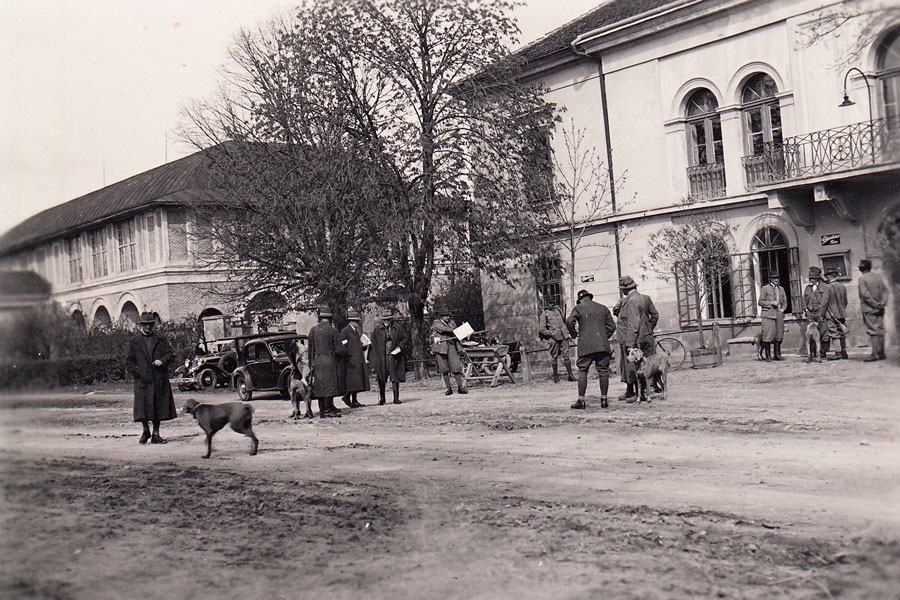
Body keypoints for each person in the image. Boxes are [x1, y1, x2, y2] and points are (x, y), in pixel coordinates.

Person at [125, 311, 177, 444]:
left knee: (158, 406)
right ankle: (145, 431)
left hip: (158, 378)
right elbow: (129, 361)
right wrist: (137, 373)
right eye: (145, 325)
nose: (148, 327)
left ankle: (156, 434)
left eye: (150, 325)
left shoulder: (160, 340)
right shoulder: (134, 342)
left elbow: (170, 354)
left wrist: (162, 361)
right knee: (142, 407)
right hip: (142, 381)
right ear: (141, 326)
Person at [566, 289, 617, 410]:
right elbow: (612, 326)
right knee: (603, 371)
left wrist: (574, 334)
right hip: (602, 346)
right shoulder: (603, 308)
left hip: (586, 345)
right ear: (590, 297)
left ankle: (581, 400)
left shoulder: (578, 308)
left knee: (583, 371)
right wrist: (604, 337)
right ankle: (604, 400)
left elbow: (569, 321)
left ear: (581, 300)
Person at [613, 276, 659, 401]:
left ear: (624, 289)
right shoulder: (634, 298)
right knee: (634, 367)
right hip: (634, 336)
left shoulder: (632, 300)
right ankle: (637, 392)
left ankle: (639, 393)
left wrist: (630, 343)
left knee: (635, 367)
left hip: (631, 338)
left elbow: (633, 323)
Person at [307, 305, 346, 418]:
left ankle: (322, 408)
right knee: (330, 384)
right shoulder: (333, 330)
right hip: (329, 360)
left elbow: (310, 349)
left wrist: (311, 364)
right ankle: (328, 408)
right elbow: (339, 349)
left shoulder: (313, 330)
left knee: (320, 385)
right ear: (330, 319)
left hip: (317, 360)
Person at [370, 308, 407, 404]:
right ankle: (382, 398)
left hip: (394, 355)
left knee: (395, 376)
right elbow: (373, 344)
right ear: (382, 320)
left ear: (391, 319)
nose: (386, 321)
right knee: (381, 376)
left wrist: (399, 347)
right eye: (384, 319)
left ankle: (396, 397)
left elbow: (404, 339)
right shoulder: (377, 330)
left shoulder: (398, 328)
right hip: (382, 357)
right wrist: (374, 358)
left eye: (388, 319)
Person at [431, 304, 467, 395]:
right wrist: (457, 330)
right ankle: (448, 388)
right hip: (440, 348)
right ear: (440, 316)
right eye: (445, 315)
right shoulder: (436, 323)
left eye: (448, 315)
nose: (447, 317)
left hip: (451, 346)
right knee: (444, 368)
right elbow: (444, 330)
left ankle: (460, 387)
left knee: (456, 366)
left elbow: (455, 331)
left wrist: (465, 331)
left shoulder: (451, 322)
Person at [538, 299, 575, 383]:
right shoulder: (544, 314)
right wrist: (551, 334)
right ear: (546, 304)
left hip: (563, 336)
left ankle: (570, 375)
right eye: (550, 303)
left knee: (566, 355)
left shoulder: (558, 310)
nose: (552, 304)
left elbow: (564, 322)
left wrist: (567, 332)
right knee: (554, 356)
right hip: (553, 338)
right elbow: (541, 329)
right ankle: (555, 376)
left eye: (553, 302)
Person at [858, 258, 888, 362]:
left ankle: (875, 354)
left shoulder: (862, 278)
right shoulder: (878, 277)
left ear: (862, 268)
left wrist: (874, 304)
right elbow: (885, 290)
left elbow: (865, 294)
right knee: (880, 329)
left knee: (873, 330)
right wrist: (882, 303)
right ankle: (881, 353)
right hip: (880, 307)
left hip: (869, 308)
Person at [339, 310, 370, 408]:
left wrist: (364, 346)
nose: (357, 323)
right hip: (350, 360)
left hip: (357, 359)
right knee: (352, 381)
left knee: (357, 381)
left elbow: (356, 345)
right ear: (351, 322)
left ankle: (354, 399)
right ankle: (348, 397)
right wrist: (348, 356)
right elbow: (343, 346)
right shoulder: (345, 331)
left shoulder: (356, 332)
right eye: (355, 321)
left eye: (357, 321)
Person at [803, 266, 832, 363]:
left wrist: (822, 313)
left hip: (820, 312)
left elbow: (826, 301)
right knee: (811, 334)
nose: (811, 280)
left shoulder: (824, 287)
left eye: (813, 278)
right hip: (810, 313)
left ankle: (822, 352)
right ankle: (812, 353)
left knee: (823, 332)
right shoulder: (808, 288)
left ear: (817, 279)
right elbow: (804, 300)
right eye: (810, 278)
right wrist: (806, 309)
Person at [758, 270, 787, 361]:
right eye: (774, 278)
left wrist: (783, 309)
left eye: (777, 278)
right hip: (768, 314)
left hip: (779, 314)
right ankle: (768, 355)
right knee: (768, 335)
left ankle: (777, 355)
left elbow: (785, 301)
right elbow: (760, 302)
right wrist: (771, 303)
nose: (776, 280)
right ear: (770, 279)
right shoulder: (765, 288)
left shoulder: (781, 289)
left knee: (779, 335)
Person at [824, 269, 849, 360]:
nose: (826, 278)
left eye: (827, 277)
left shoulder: (827, 287)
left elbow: (824, 302)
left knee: (833, 332)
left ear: (829, 277)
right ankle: (844, 352)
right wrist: (842, 310)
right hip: (842, 313)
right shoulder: (842, 286)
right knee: (842, 332)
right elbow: (845, 301)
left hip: (831, 314)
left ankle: (838, 353)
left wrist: (821, 314)